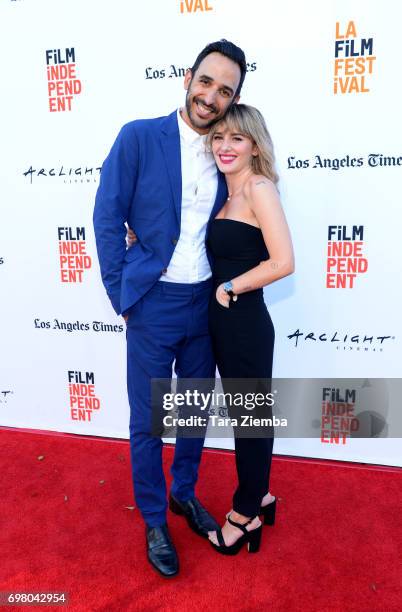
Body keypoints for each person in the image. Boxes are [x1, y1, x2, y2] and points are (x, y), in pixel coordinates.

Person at [93, 39, 247, 577]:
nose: (212, 97)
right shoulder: (139, 137)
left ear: (232, 100)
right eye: (206, 82)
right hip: (153, 305)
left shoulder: (229, 149)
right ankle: (155, 518)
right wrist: (121, 292)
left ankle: (184, 494)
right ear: (188, 77)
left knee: (194, 412)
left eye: (225, 90)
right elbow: (108, 216)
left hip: (205, 305)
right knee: (147, 421)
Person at [206, 104, 294, 554]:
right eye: (218, 136)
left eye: (236, 138)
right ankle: (261, 496)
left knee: (250, 420)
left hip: (244, 321)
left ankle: (244, 515)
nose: (224, 146)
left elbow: (283, 262)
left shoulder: (259, 188)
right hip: (223, 323)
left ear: (254, 145)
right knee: (249, 416)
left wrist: (231, 286)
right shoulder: (222, 193)